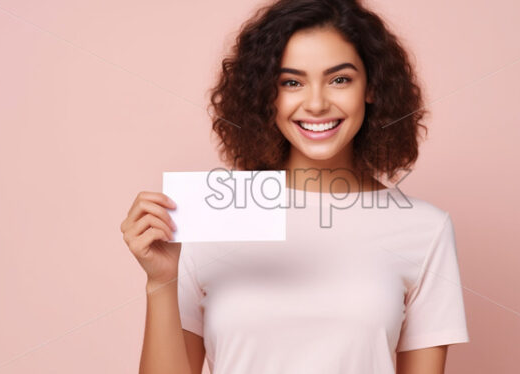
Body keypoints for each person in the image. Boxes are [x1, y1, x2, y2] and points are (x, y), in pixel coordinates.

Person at [120, 0, 470, 373]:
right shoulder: (213, 214)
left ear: (371, 87)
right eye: (291, 82)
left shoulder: (424, 229)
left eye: (340, 79)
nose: (316, 103)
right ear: (266, 95)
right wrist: (161, 281)